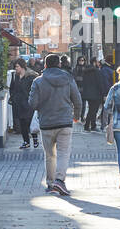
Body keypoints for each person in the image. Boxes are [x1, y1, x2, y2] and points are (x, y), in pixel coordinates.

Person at [29, 53, 82, 196]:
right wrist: (76, 116)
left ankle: (51, 183)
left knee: (49, 155)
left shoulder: (38, 81)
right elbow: (77, 100)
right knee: (63, 153)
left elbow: (32, 103)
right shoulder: (68, 79)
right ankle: (60, 181)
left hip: (46, 123)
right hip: (65, 121)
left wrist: (42, 106)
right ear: (59, 64)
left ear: (45, 65)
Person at [8, 60, 35, 149]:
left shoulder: (31, 76)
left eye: (17, 67)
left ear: (22, 67)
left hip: (28, 103)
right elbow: (12, 88)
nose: (15, 69)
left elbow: (34, 90)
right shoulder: (15, 76)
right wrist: (13, 97)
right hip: (18, 103)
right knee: (22, 123)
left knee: (30, 122)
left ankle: (35, 139)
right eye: (15, 67)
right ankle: (26, 142)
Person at [80, 57, 106, 131]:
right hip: (96, 93)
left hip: (87, 93)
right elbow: (100, 83)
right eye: (97, 62)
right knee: (93, 110)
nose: (98, 63)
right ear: (94, 62)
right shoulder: (97, 71)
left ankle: (90, 125)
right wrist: (103, 93)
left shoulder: (85, 71)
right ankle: (89, 125)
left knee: (91, 109)